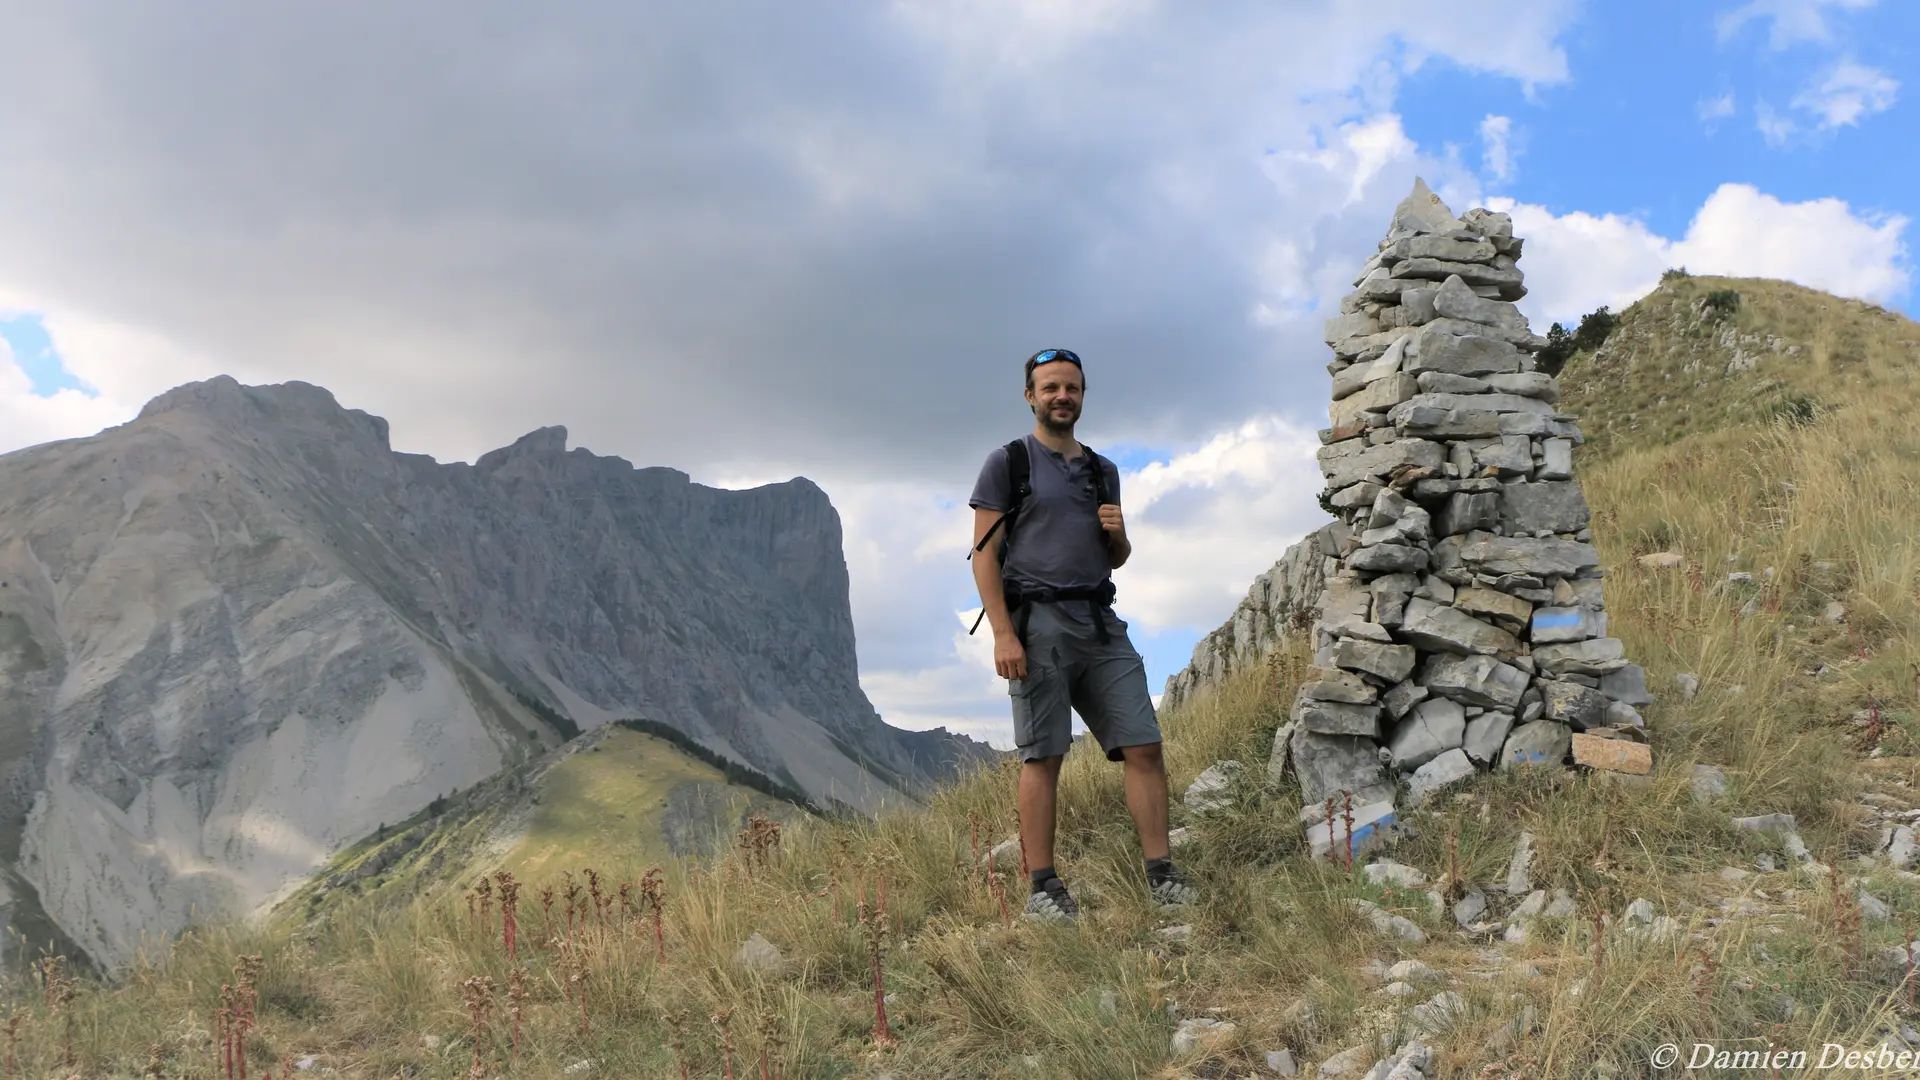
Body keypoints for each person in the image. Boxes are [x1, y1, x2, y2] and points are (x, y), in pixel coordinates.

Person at [967, 347, 1198, 923]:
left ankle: (1161, 875)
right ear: (1030, 396)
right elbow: (983, 555)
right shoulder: (1008, 463)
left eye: (1070, 387)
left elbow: (1114, 557)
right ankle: (1043, 889)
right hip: (1036, 623)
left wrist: (1120, 536)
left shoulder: (1103, 470)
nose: (1061, 396)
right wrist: (1002, 634)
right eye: (1050, 388)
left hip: (1099, 620)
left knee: (1143, 745)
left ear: (1082, 396)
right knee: (1043, 754)